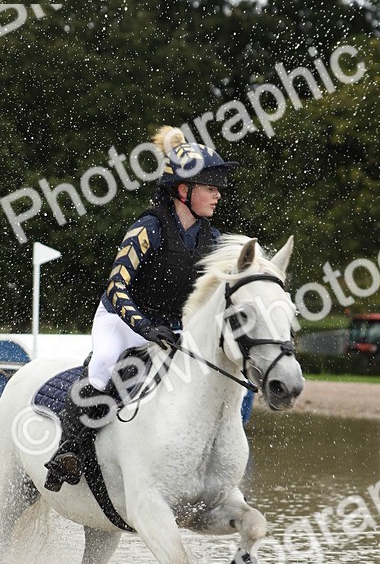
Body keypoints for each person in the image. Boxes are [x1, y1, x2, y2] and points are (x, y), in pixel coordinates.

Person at [44, 125, 238, 491]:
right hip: (121, 319)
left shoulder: (211, 240)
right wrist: (145, 329)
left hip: (172, 328)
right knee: (102, 368)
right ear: (184, 190)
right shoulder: (148, 229)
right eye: (210, 188)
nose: (217, 196)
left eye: (217, 189)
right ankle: (67, 453)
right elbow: (117, 287)